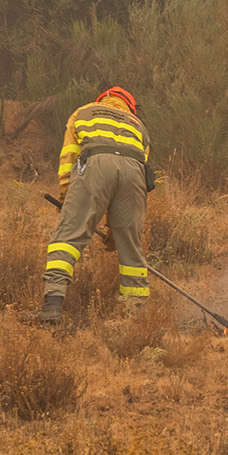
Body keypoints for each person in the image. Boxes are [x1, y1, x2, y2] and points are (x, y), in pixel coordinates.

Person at [33, 86, 153, 323]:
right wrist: (114, 231)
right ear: (130, 106)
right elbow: (137, 170)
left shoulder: (84, 112)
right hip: (134, 174)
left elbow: (69, 156)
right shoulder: (138, 125)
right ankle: (133, 317)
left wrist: (67, 198)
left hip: (95, 165)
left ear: (103, 100)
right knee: (131, 246)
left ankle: (52, 306)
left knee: (68, 237)